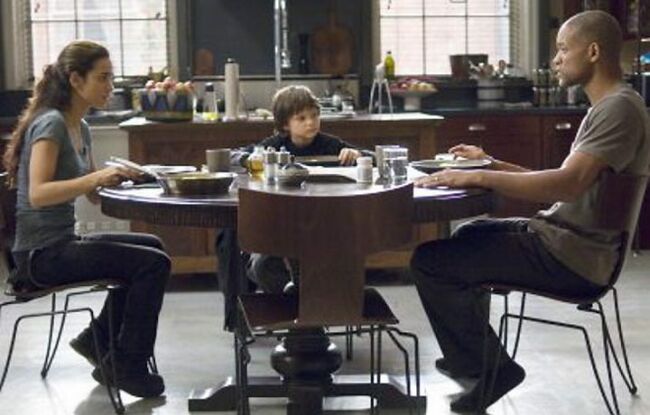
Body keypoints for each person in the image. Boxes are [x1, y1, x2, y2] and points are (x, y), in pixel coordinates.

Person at [410, 10, 650, 413]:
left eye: (563, 49)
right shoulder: (611, 106)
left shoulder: (617, 110)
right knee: (469, 235)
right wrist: (491, 163)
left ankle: (490, 368)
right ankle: (472, 359)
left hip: (575, 257)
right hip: (569, 240)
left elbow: (565, 186)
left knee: (430, 262)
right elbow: (561, 183)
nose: (556, 59)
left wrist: (479, 177)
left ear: (593, 52)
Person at [3, 40, 171, 398]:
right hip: (39, 256)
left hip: (61, 243)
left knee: (153, 248)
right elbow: (38, 193)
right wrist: (95, 178)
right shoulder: (51, 124)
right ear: (76, 79)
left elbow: (93, 194)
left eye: (111, 77)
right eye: (103, 78)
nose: (111, 86)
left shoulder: (80, 126)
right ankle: (127, 365)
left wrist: (124, 177)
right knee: (152, 265)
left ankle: (97, 339)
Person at [235, 85, 372, 293]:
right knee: (263, 265)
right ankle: (291, 301)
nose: (311, 122)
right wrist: (250, 158)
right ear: (285, 124)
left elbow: (371, 157)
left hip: (321, 223)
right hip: (278, 223)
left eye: (315, 116)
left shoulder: (330, 144)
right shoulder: (274, 145)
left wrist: (357, 155)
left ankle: (307, 302)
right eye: (301, 118)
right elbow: (235, 156)